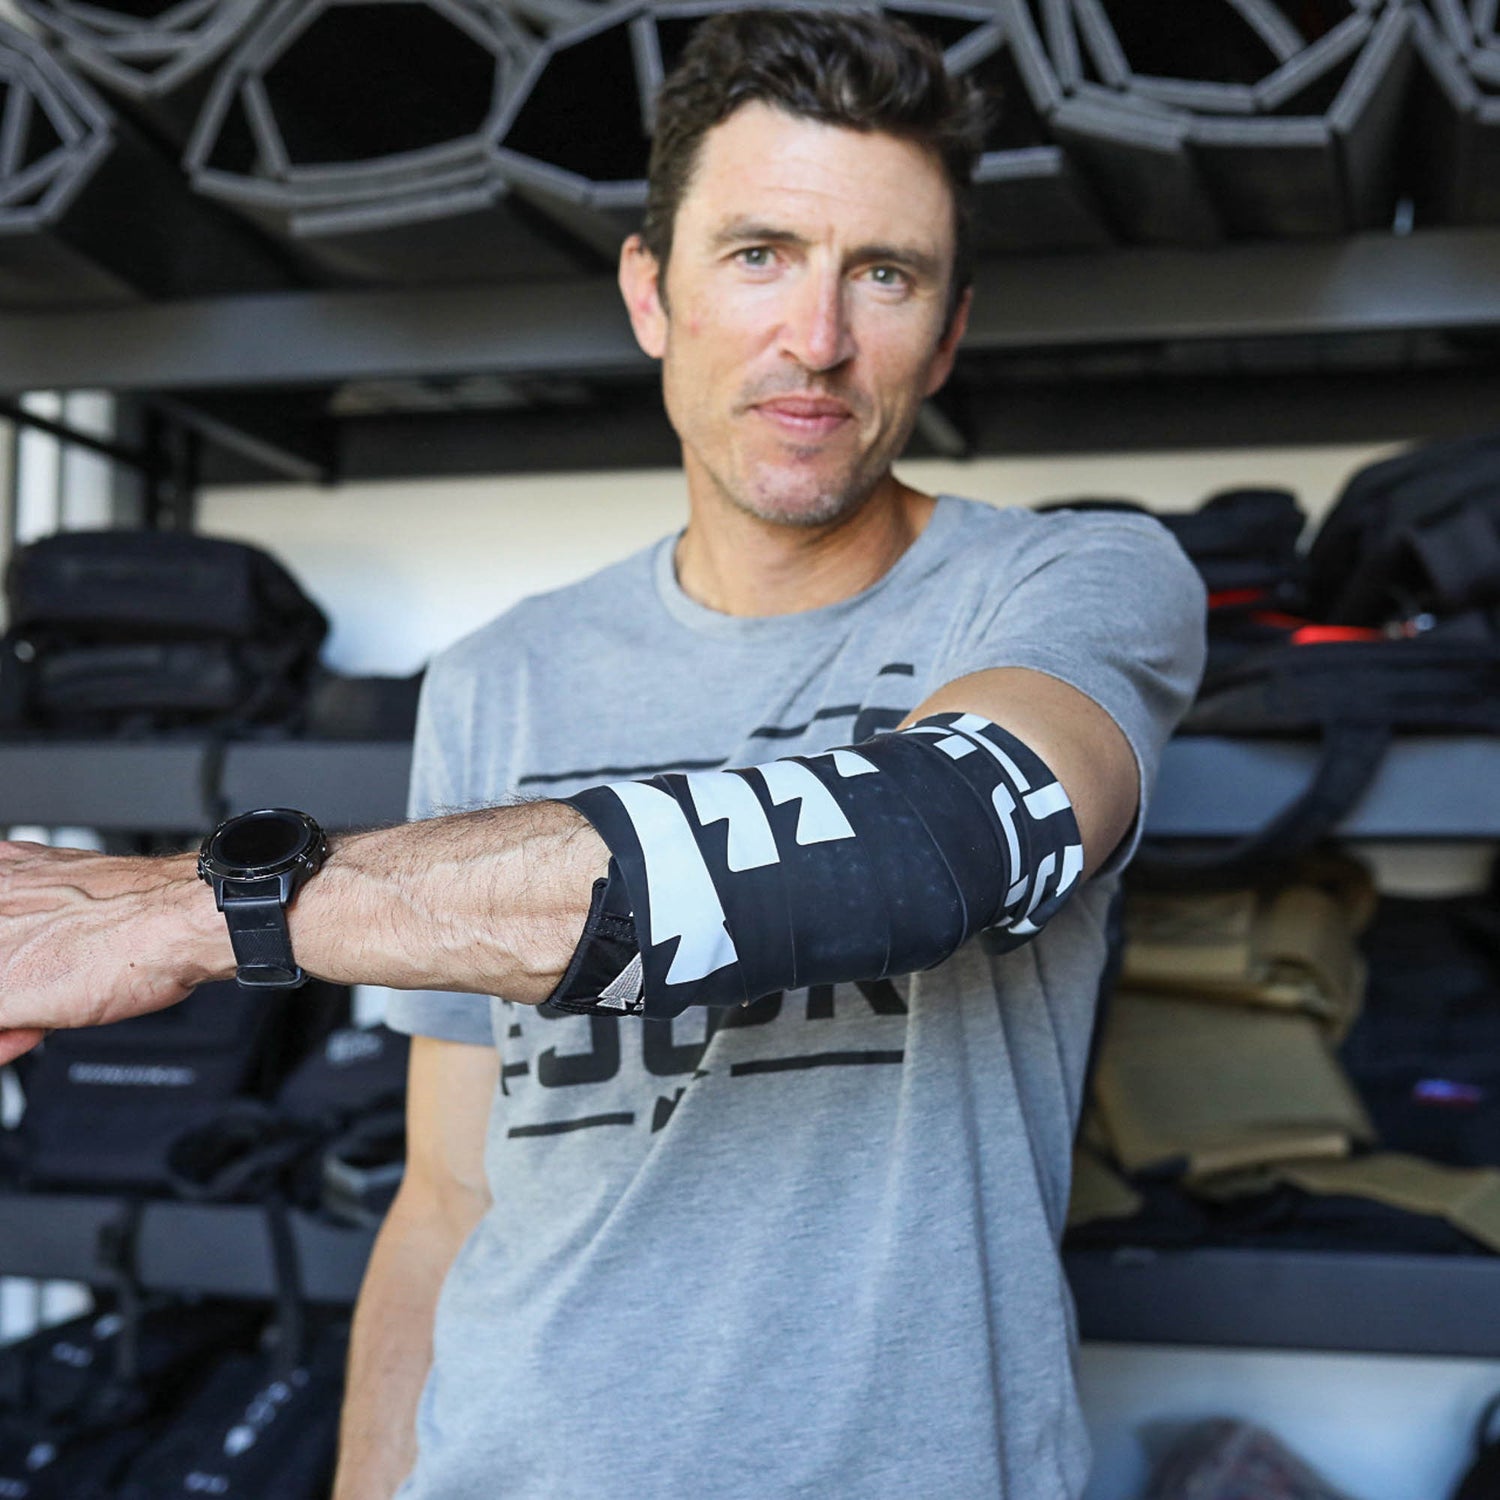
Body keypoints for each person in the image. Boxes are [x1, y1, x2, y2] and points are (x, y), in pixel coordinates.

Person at [0, 9, 1205, 1497]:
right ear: (653, 290)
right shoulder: (499, 676)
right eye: (758, 253)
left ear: (949, 331)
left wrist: (201, 908)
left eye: (881, 275)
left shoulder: (1075, 585)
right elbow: (446, 1192)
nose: (814, 339)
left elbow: (945, 838)